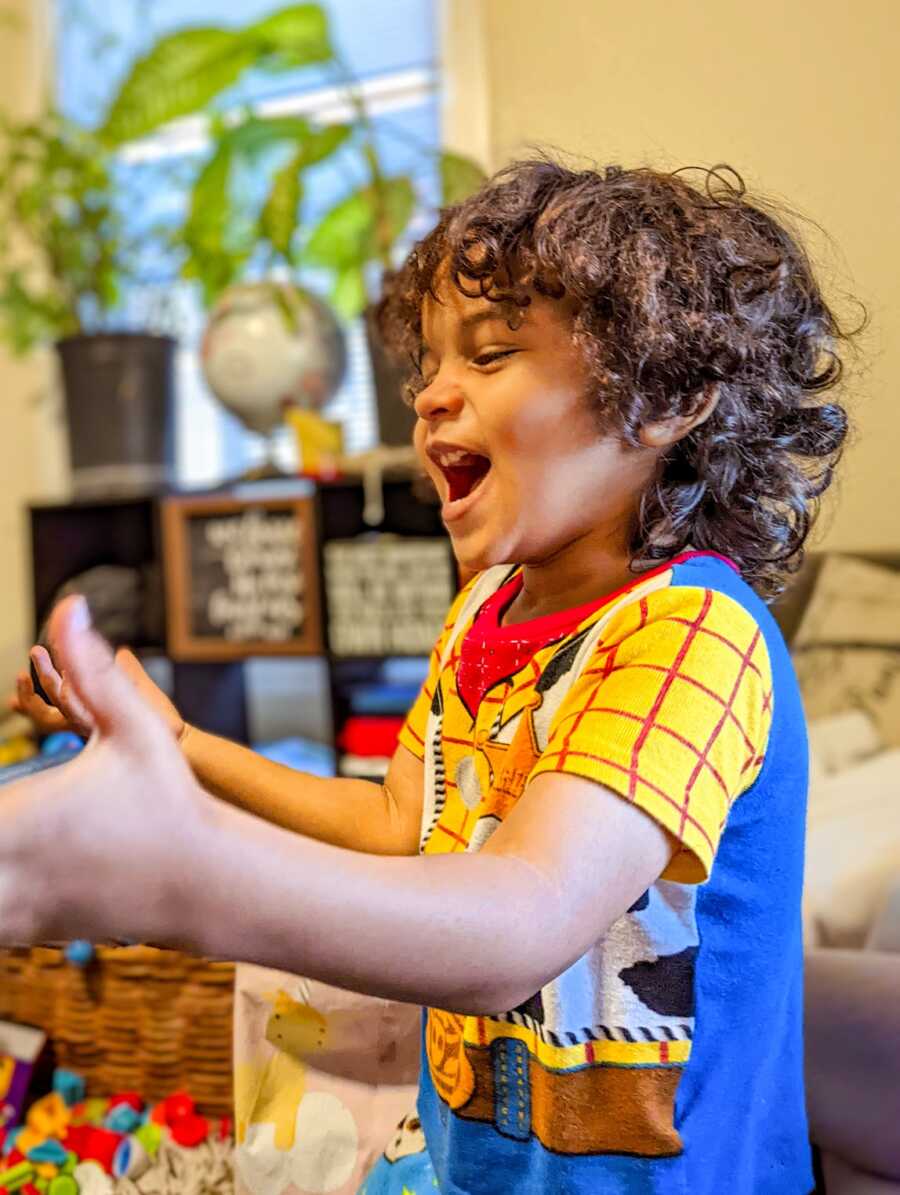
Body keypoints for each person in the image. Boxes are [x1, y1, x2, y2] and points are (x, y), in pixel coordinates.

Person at [4, 159, 851, 1194]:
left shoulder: (691, 631)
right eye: (427, 367)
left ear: (668, 396)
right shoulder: (485, 611)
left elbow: (517, 923)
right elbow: (400, 827)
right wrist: (182, 746)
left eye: (492, 355)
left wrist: (187, 874)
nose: (432, 393)